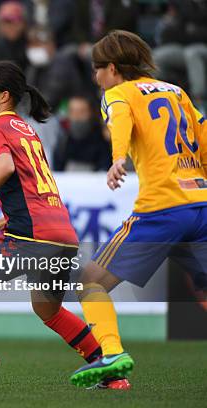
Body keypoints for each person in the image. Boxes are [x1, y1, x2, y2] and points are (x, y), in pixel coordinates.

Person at [0, 61, 129, 389]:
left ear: (3, 95)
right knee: (48, 309)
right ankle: (110, 373)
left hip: (31, 237)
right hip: (62, 235)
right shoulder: (27, 129)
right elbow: (35, 189)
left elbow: (5, 167)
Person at [70, 30, 207, 388]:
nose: (96, 77)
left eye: (97, 69)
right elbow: (204, 140)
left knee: (90, 283)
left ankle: (112, 353)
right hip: (202, 205)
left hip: (162, 209)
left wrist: (117, 158)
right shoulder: (176, 91)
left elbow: (120, 120)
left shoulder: (117, 93)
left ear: (112, 68)